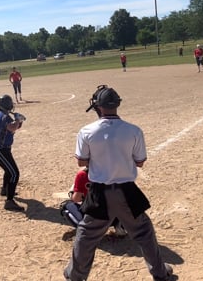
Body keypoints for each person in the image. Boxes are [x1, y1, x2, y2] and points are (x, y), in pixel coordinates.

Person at [64, 85, 173, 281]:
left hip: (99, 193)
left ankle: (75, 276)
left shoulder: (86, 131)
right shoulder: (133, 130)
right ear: (117, 105)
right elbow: (140, 162)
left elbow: (81, 161)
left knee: (86, 235)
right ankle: (160, 273)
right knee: (144, 233)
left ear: (98, 107)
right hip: (127, 192)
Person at [60, 166, 127, 236]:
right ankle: (120, 225)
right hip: (114, 216)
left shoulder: (83, 174)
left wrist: (72, 192)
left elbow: (76, 199)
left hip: (93, 216)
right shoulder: (115, 171)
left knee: (65, 206)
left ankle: (86, 229)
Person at [0, 95, 25, 212]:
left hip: (2, 148)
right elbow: (12, 127)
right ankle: (9, 201)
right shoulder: (4, 117)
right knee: (14, 173)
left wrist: (19, 121)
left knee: (9, 170)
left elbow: (13, 127)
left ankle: (5, 189)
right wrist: (18, 120)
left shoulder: (4, 116)